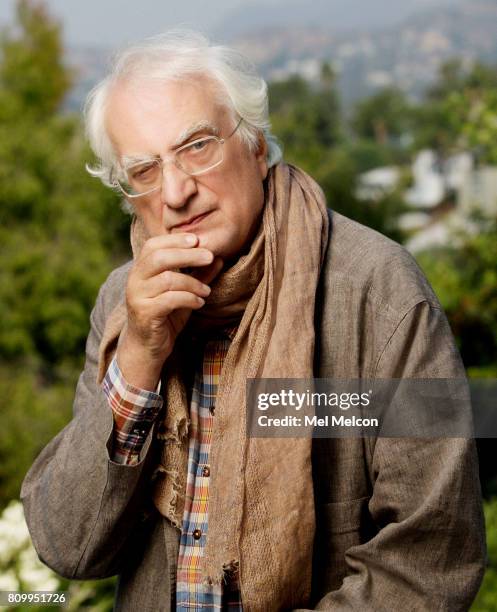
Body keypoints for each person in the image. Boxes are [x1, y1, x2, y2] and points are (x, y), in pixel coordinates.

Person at [21, 30, 485, 611]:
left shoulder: (383, 290)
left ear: (257, 145)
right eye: (144, 170)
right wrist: (139, 357)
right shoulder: (124, 302)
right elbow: (70, 547)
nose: (176, 191)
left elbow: (433, 555)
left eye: (196, 146)